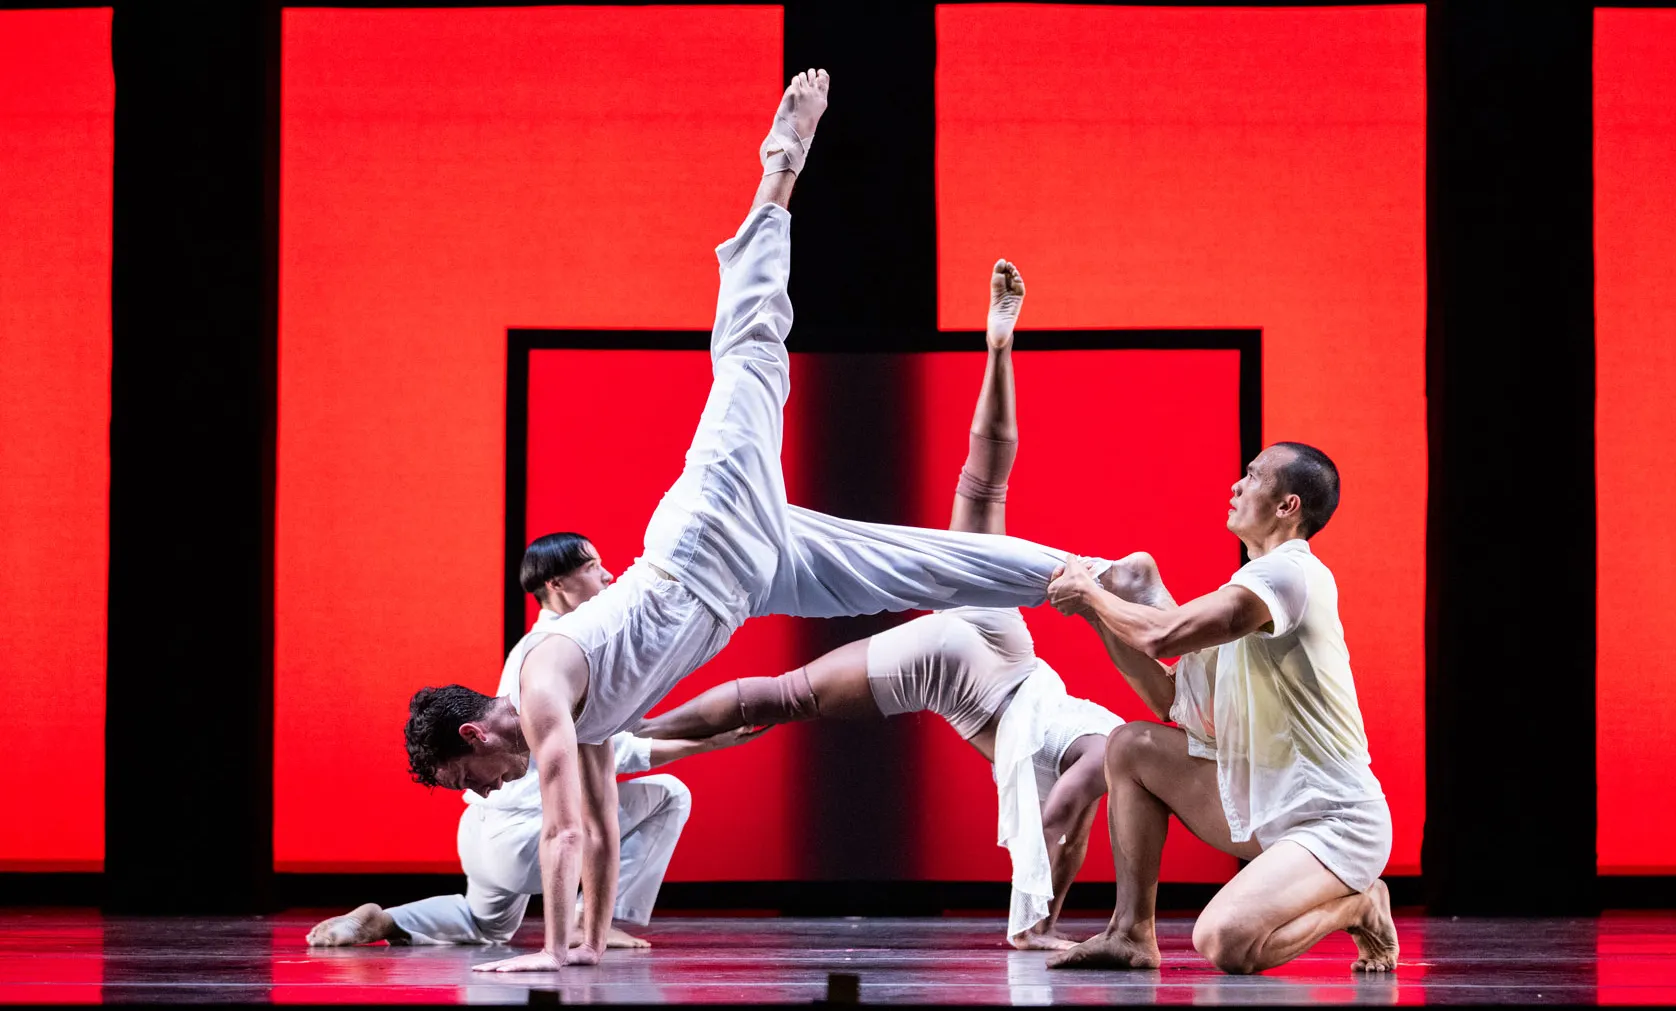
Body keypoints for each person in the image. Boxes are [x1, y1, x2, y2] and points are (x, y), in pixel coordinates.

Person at [402, 71, 1131, 973]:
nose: (476, 792)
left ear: (474, 736)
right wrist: (583, 946)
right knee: (918, 567)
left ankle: (779, 167)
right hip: (747, 583)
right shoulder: (566, 718)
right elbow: (589, 825)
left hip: (705, 537)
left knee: (750, 352)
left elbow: (557, 827)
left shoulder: (542, 675)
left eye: (460, 780)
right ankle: (1087, 575)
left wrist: (546, 956)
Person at [635, 259, 1127, 950]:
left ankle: (631, 731)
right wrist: (1034, 920)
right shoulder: (1114, 750)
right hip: (987, 663)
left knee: (784, 693)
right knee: (781, 695)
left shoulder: (1108, 749)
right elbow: (1063, 813)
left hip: (988, 661)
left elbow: (1063, 818)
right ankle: (631, 733)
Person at [307, 533, 764, 951]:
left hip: (481, 836)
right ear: (558, 583)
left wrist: (689, 732)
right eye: (592, 567)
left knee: (486, 926)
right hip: (521, 839)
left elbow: (610, 733)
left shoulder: (540, 647)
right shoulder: (556, 651)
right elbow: (603, 749)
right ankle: (592, 919)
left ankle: (387, 920)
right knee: (669, 795)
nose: (607, 575)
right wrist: (703, 745)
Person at [1041, 444, 1400, 975]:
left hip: (1335, 820)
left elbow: (1163, 636)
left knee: (1226, 942)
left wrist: (1095, 598)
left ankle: (1360, 902)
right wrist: (1100, 616)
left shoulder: (1288, 576)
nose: (1235, 486)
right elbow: (1167, 699)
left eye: (1252, 477)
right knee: (1132, 747)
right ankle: (1130, 933)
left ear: (1287, 506)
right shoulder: (1251, 590)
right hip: (1267, 806)